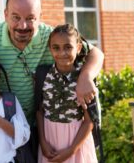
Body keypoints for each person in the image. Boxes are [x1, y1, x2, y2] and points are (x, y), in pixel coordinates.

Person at [0, 0, 104, 161]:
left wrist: (85, 77)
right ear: (5, 14)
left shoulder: (53, 38)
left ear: (40, 16)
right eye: (16, 17)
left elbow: (96, 54)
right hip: (2, 129)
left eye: (30, 18)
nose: (22, 26)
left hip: (45, 130)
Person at [36, 24, 98, 163]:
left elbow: (89, 121)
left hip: (77, 144)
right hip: (49, 143)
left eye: (68, 47)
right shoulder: (42, 74)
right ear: (50, 49)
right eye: (56, 48)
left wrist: (72, 150)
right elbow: (39, 112)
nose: (62, 53)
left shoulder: (85, 78)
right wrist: (43, 143)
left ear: (78, 47)